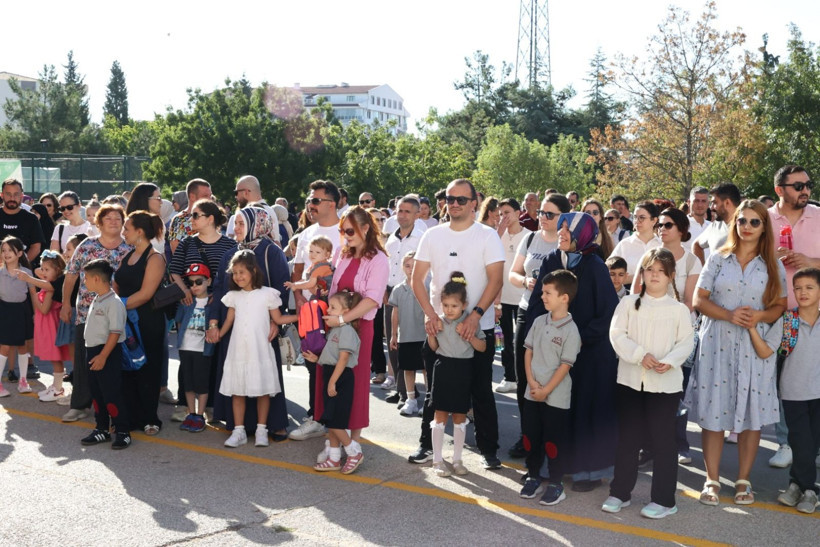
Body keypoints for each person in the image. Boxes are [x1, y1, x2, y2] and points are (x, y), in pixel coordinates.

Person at [686, 199, 787, 506]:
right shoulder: (718, 258)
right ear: (734, 224)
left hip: (753, 347)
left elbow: (780, 305)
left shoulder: (773, 263)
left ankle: (743, 480)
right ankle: (711, 480)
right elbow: (698, 300)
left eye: (754, 222)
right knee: (713, 414)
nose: (747, 227)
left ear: (763, 227)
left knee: (751, 415)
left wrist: (758, 317)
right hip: (717, 342)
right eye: (742, 221)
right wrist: (729, 315)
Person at [410, 179, 504, 469]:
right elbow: (417, 279)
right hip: (440, 329)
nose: (454, 204)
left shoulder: (487, 236)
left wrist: (474, 316)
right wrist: (429, 313)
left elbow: (496, 280)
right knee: (435, 392)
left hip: (478, 327)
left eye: (461, 199)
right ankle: (427, 447)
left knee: (481, 392)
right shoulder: (433, 235)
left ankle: (489, 450)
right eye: (450, 198)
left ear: (474, 202)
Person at [526, 212, 619, 492]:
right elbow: (536, 302)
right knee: (554, 412)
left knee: (585, 411)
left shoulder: (596, 266)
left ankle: (586, 472)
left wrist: (577, 340)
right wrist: (537, 336)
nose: (562, 232)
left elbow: (608, 314)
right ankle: (549, 468)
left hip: (590, 356)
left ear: (585, 235)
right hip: (554, 352)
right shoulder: (554, 260)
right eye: (562, 227)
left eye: (569, 229)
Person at [604, 248, 694, 519]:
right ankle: (620, 492)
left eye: (661, 271)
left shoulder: (678, 310)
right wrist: (639, 356)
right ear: (642, 273)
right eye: (649, 269)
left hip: (665, 385)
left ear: (671, 276)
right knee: (628, 439)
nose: (654, 275)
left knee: (663, 440)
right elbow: (617, 334)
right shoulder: (628, 303)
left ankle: (665, 500)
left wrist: (670, 360)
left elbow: (686, 342)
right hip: (631, 382)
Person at [209, 206, 290, 441]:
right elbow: (219, 289)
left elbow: (281, 288)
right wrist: (214, 321)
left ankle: (272, 425)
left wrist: (277, 320)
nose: (235, 229)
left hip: (263, 328)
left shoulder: (271, 251)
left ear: (258, 224)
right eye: (235, 223)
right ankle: (239, 426)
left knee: (264, 377)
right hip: (234, 328)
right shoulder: (230, 253)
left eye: (241, 224)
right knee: (239, 377)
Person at [748, 267, 820, 514]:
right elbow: (766, 351)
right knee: (801, 442)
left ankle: (795, 485)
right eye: (798, 288)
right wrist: (751, 328)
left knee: (812, 443)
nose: (802, 293)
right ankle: (810, 491)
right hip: (793, 393)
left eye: (809, 287)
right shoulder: (788, 321)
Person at [507, 194, 571, 457]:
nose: (543, 218)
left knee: (554, 375)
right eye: (541, 213)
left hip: (557, 320)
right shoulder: (530, 238)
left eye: (550, 214)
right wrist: (525, 283)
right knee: (525, 376)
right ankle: (527, 435)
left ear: (563, 217)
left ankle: (551, 437)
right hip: (527, 312)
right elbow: (513, 273)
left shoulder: (567, 242)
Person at [318, 206, 389, 445]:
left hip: (360, 331)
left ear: (366, 228)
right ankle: (334, 441)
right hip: (335, 327)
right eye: (342, 230)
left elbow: (372, 299)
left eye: (349, 230)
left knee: (355, 385)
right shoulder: (342, 253)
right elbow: (335, 289)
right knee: (330, 377)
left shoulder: (378, 260)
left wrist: (342, 319)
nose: (345, 235)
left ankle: (354, 442)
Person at [767, 165, 820, 469]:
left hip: (815, 315)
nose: (805, 191)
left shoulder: (818, 215)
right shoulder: (764, 218)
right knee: (784, 380)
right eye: (798, 185)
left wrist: (812, 260)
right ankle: (787, 442)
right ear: (779, 189)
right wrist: (770, 257)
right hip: (780, 314)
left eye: (808, 185)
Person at [60, 204, 132, 422]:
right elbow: (71, 275)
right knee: (83, 362)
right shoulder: (87, 245)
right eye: (108, 218)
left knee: (116, 361)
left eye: (118, 218)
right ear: (99, 222)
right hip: (86, 313)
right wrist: (66, 303)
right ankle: (80, 404)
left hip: (118, 314)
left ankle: (116, 407)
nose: (113, 221)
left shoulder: (129, 249)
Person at [519, 270, 580, 506]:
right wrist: (533, 383)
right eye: (542, 292)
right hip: (533, 392)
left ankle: (556, 483)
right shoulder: (538, 321)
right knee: (530, 438)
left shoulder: (570, 329)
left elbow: (566, 365)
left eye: (547, 293)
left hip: (556, 396)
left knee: (553, 441)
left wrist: (546, 390)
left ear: (564, 297)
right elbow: (528, 352)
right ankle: (533, 476)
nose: (542, 296)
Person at [288, 180, 344, 441]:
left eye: (315, 200)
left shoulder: (346, 231)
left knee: (336, 365)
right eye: (309, 200)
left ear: (332, 204)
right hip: (311, 313)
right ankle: (316, 417)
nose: (310, 205)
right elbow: (298, 269)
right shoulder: (308, 232)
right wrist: (299, 297)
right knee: (312, 362)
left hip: (338, 313)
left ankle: (335, 420)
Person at [427, 272, 487, 477]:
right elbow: (434, 347)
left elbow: (482, 347)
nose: (449, 310)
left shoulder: (471, 323)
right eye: (445, 305)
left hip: (464, 370)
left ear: (464, 304)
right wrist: (431, 334)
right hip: (443, 368)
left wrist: (469, 336)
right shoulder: (440, 321)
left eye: (454, 306)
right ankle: (436, 460)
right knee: (440, 415)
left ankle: (458, 460)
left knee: (460, 416)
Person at [114, 211, 167, 436]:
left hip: (146, 321)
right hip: (124, 319)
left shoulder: (155, 258)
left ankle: (149, 418)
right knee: (126, 367)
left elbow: (146, 294)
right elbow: (116, 283)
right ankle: (130, 416)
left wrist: (117, 306)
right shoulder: (127, 254)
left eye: (126, 228)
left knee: (148, 368)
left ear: (140, 232)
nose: (122, 232)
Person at [308, 290, 365, 474]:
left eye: (333, 307)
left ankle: (353, 452)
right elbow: (331, 357)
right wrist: (317, 360)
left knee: (336, 422)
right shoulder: (335, 330)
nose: (329, 310)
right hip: (331, 374)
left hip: (340, 378)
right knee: (331, 420)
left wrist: (332, 382)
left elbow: (342, 359)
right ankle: (333, 459)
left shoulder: (347, 330)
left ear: (346, 311)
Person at [77, 259, 131, 449]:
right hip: (92, 351)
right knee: (97, 393)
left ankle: (123, 431)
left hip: (106, 352)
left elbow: (115, 332)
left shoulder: (113, 303)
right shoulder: (97, 298)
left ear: (97, 278)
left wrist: (103, 356)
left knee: (111, 393)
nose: (84, 282)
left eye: (86, 278)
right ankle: (102, 429)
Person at [384, 196, 425, 403]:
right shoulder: (391, 238)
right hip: (393, 293)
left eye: (408, 211)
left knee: (415, 344)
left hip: (416, 295)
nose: (402, 215)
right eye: (399, 210)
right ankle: (402, 390)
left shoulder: (423, 236)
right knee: (393, 342)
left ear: (418, 214)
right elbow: (388, 267)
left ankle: (416, 392)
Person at [14, 251, 70, 401]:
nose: (43, 272)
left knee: (55, 358)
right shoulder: (48, 285)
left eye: (47, 270)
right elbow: (38, 271)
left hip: (50, 327)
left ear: (57, 270)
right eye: (43, 269)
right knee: (53, 359)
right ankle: (55, 385)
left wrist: (33, 292)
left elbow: (44, 309)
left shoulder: (50, 289)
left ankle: (58, 389)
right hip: (46, 326)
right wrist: (46, 268)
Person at [632, 208, 701, 312]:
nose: (662, 229)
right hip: (648, 318)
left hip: (680, 320)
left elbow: (690, 302)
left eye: (668, 225)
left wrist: (668, 319)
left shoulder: (692, 261)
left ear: (681, 229)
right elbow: (635, 293)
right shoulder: (648, 256)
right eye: (660, 225)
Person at [496, 198, 531, 394]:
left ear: (518, 213)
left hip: (523, 297)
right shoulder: (496, 236)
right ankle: (509, 376)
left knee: (524, 340)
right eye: (501, 214)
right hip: (502, 298)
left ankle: (524, 377)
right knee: (504, 341)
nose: (504, 217)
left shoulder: (529, 236)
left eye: (507, 212)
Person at [169, 200, 235, 304]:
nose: (190, 219)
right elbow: (174, 271)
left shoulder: (231, 245)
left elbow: (235, 275)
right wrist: (185, 290)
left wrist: (220, 293)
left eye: (195, 215)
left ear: (210, 219)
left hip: (221, 305)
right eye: (191, 215)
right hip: (191, 306)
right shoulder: (186, 243)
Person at [174, 263, 214, 433]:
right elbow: (179, 321)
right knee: (188, 384)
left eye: (199, 282)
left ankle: (200, 415)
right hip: (185, 348)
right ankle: (191, 413)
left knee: (202, 384)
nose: (194, 286)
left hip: (203, 350)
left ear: (208, 281)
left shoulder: (213, 302)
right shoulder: (186, 301)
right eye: (190, 283)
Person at [388, 251, 427, 416]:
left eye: (414, 265)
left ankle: (429, 401)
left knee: (426, 369)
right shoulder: (398, 289)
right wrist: (393, 334)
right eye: (407, 265)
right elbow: (394, 313)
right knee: (408, 369)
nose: (411, 269)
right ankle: (410, 399)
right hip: (406, 336)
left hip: (425, 336)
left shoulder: (427, 286)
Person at [0, 237, 34, 395]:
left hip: (22, 311)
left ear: (20, 253)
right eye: (3, 250)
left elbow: (33, 296)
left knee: (23, 346)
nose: (6, 253)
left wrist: (36, 314)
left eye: (10, 250)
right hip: (5, 311)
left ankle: (23, 381)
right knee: (4, 347)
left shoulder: (27, 273)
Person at [611, 201, 661, 286]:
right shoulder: (624, 245)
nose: (637, 221)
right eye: (635, 217)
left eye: (642, 217)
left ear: (654, 220)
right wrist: (639, 277)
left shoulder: (661, 245)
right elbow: (609, 274)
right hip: (628, 295)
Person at [693, 183, 741, 264]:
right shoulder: (715, 226)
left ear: (727, 203)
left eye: (715, 202)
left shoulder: (749, 226)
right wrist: (704, 271)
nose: (711, 207)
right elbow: (696, 245)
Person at [226, 175, 280, 244]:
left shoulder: (251, 213)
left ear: (246, 192)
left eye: (236, 193)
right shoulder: (269, 211)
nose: (235, 197)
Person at [168, 178, 212, 254]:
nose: (210, 199)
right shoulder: (179, 220)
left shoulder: (211, 217)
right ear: (192, 197)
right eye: (205, 195)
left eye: (210, 196)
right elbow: (175, 251)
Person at [284, 235, 334, 301]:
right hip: (320, 296)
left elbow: (310, 283)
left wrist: (296, 286)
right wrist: (294, 284)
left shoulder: (321, 267)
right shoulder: (315, 265)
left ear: (327, 255)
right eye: (311, 251)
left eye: (318, 252)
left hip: (326, 298)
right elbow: (306, 279)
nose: (313, 254)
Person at [125, 183, 165, 253]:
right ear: (145, 199)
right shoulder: (128, 223)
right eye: (158, 198)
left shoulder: (158, 222)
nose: (161, 202)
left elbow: (162, 252)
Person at [685, 187, 711, 252]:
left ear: (708, 204)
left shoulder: (712, 227)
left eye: (703, 201)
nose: (700, 205)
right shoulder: (680, 226)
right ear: (689, 202)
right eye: (696, 201)